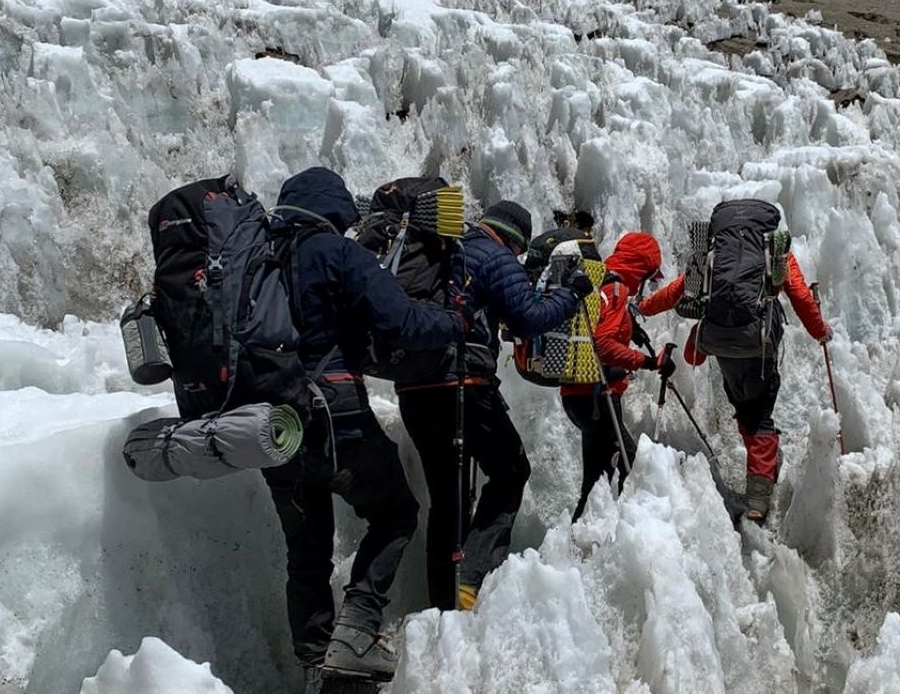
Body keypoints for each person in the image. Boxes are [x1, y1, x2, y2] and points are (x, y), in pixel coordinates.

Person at [261, 167, 466, 689]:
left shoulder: (261, 257)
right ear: (330, 211)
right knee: (396, 513)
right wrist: (455, 322)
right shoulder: (336, 253)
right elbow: (401, 321)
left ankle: (315, 661)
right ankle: (356, 630)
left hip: (269, 424)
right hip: (334, 415)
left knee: (305, 549)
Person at [395, 200, 589, 611]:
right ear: (513, 238)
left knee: (447, 500)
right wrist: (570, 295)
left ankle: (443, 606)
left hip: (414, 388)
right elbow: (529, 318)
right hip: (462, 386)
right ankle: (473, 576)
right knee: (511, 470)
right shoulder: (493, 256)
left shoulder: (444, 253)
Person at [683, 248, 831, 522]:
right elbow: (798, 293)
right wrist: (819, 330)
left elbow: (681, 289)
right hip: (757, 346)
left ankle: (764, 472)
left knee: (745, 408)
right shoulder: (775, 252)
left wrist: (643, 306)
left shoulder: (717, 253)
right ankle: (759, 497)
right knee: (760, 414)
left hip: (722, 347)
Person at [559, 232, 679, 520]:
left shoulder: (599, 282)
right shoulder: (616, 290)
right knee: (632, 467)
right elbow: (602, 344)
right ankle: (623, 536)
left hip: (577, 394)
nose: (645, 285)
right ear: (641, 268)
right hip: (600, 397)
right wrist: (648, 362)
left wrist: (629, 326)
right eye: (649, 276)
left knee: (596, 478)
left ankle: (580, 545)